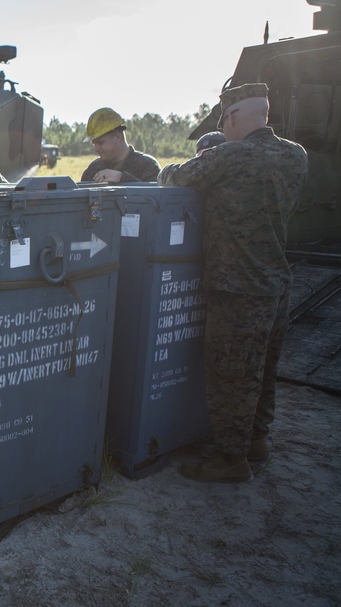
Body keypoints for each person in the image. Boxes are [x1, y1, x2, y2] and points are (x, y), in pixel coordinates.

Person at [157, 83, 308, 483]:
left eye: (224, 120)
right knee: (264, 372)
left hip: (237, 287)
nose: (223, 127)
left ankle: (229, 460)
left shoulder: (229, 155)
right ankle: (257, 442)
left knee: (231, 376)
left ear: (234, 117)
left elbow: (173, 177)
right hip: (278, 283)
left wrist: (189, 163)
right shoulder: (296, 155)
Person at [81, 108, 160, 183]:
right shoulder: (93, 169)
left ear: (117, 137)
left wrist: (122, 178)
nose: (96, 148)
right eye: (94, 144)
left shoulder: (147, 166)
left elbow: (156, 195)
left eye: (100, 143)